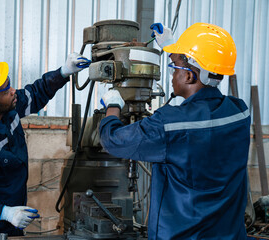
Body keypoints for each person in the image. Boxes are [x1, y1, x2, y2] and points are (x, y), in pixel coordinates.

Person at [99, 22, 250, 239]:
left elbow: (113, 140)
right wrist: (173, 48)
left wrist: (113, 106)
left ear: (189, 76)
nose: (171, 75)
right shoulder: (239, 113)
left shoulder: (169, 124)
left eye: (174, 68)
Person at [0, 53, 90, 238]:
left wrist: (63, 72)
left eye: (9, 84)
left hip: (14, 216)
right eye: (6, 90)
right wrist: (5, 213)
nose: (13, 91)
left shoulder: (6, 109)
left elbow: (35, 94)